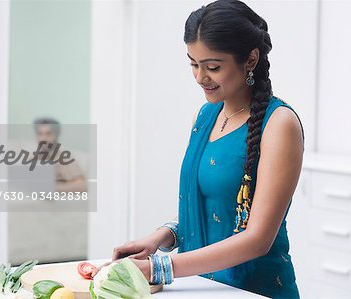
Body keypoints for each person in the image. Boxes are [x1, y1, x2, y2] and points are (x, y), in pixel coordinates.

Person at [92, 1, 305, 298]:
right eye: (193, 63)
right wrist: (163, 236)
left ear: (251, 59)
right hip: (201, 287)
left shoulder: (279, 123)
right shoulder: (206, 116)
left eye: (213, 67)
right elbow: (219, 209)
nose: (200, 77)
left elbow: (258, 238)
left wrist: (160, 267)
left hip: (254, 290)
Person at [33, 117, 87, 192]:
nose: (43, 138)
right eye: (40, 134)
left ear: (56, 135)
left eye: (48, 134)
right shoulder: (34, 157)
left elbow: (81, 185)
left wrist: (49, 188)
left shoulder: (63, 158)